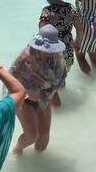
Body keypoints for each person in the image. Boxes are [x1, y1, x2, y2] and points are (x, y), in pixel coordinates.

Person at [9, 25, 67, 154]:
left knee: (44, 136)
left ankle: (39, 166)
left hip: (45, 97)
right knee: (31, 136)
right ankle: (16, 150)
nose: (46, 51)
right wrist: (29, 92)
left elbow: (61, 78)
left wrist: (49, 92)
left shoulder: (58, 56)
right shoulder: (25, 57)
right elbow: (11, 79)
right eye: (44, 48)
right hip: (24, 98)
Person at [37, 0, 82, 107]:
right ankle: (63, 94)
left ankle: (56, 108)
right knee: (62, 74)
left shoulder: (47, 11)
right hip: (67, 45)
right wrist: (77, 42)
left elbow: (42, 32)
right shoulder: (70, 8)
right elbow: (80, 28)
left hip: (52, 47)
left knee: (50, 81)